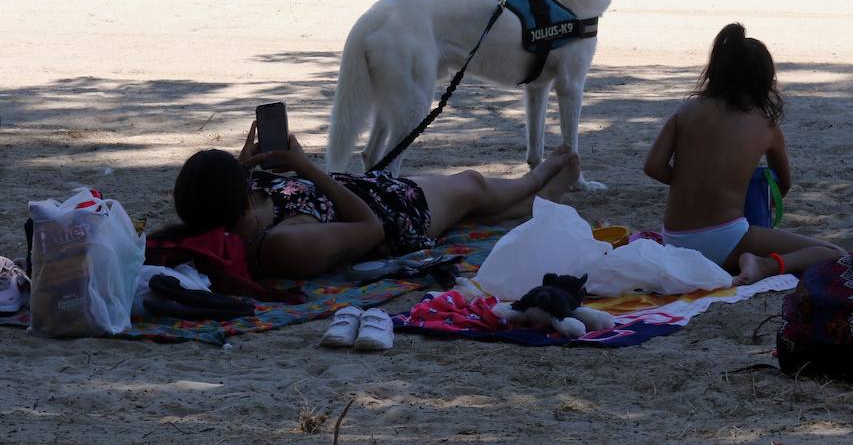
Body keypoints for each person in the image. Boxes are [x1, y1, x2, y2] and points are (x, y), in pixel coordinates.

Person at [168, 122, 582, 279]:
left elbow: (228, 198)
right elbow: (370, 229)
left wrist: (245, 168)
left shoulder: (228, 219)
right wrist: (307, 168)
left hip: (365, 190)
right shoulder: (280, 245)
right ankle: (538, 178)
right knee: (472, 186)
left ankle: (535, 203)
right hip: (396, 215)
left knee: (477, 207)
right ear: (235, 199)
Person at [643, 23, 844, 285]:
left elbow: (653, 166)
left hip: (675, 239)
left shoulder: (686, 111)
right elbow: (782, 185)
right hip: (725, 239)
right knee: (833, 253)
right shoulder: (766, 126)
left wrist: (689, 183)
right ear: (764, 80)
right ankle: (764, 265)